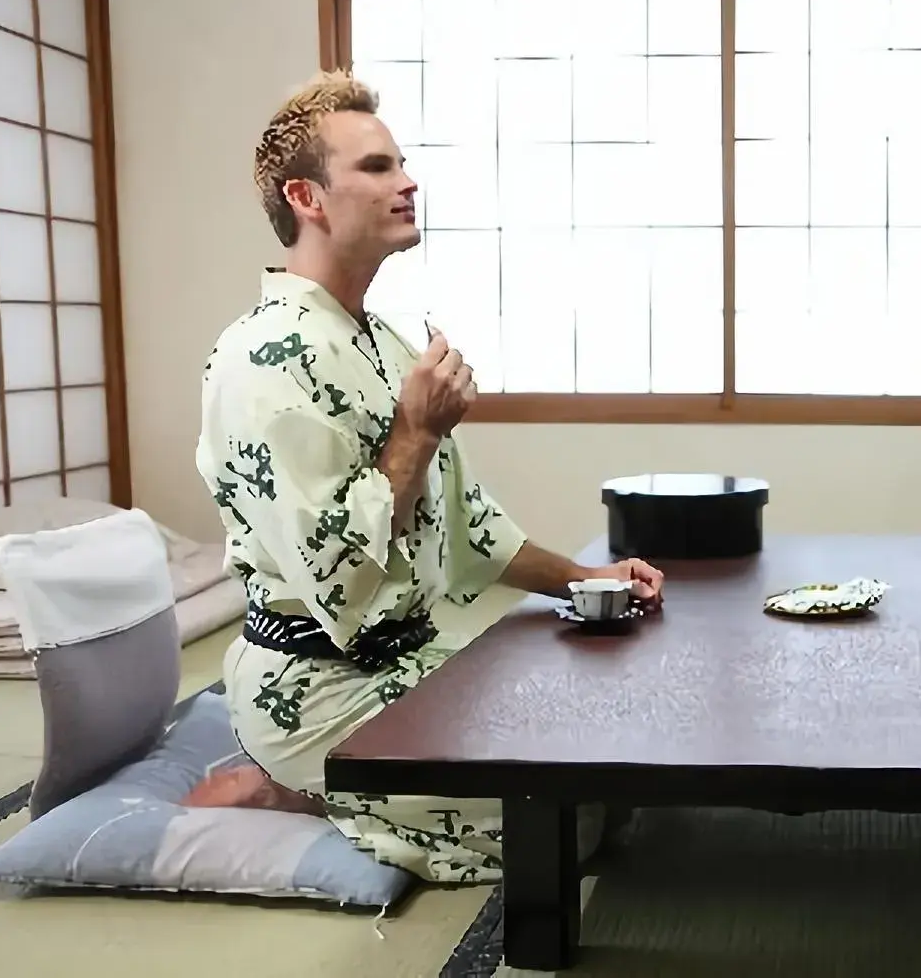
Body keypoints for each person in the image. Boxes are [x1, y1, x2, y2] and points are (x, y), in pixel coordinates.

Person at [195, 70, 664, 885]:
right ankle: (300, 788)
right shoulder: (260, 362)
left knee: (611, 757)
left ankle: (349, 789)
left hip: (413, 654)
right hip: (321, 682)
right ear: (306, 197)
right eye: (376, 167)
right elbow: (337, 585)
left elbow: (468, 522)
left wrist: (586, 577)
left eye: (402, 163)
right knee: (564, 823)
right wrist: (415, 430)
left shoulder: (382, 339)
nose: (408, 181)